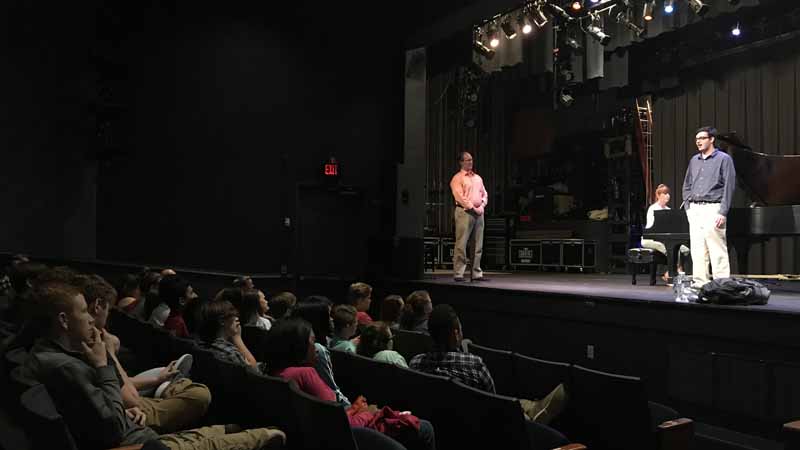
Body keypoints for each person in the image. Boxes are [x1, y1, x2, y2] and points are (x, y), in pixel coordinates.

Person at [21, 281, 286, 450]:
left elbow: (102, 414)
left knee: (224, 429)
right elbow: (111, 427)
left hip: (135, 431)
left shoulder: (48, 355)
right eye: (83, 312)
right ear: (64, 320)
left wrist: (122, 409)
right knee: (269, 435)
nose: (90, 318)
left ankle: (226, 430)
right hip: (137, 444)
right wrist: (103, 365)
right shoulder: (64, 366)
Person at [410, 304, 566, 426]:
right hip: (484, 426)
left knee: (519, 402)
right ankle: (536, 415)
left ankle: (533, 408)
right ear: (455, 334)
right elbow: (493, 401)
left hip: (445, 426)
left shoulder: (415, 364)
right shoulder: (474, 365)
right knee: (543, 401)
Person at [682, 126, 736, 288]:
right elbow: (687, 185)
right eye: (696, 139)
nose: (698, 141)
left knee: (717, 249)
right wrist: (688, 208)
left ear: (711, 139)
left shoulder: (724, 159)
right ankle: (700, 283)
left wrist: (723, 212)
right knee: (697, 249)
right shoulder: (694, 160)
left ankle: (721, 284)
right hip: (695, 209)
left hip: (714, 208)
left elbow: (729, 187)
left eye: (702, 138)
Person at [450, 151, 489, 282]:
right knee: (461, 243)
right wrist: (473, 207)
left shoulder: (478, 178)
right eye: (467, 160)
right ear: (461, 162)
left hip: (479, 213)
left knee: (478, 244)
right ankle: (459, 273)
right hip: (465, 212)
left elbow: (485, 194)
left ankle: (476, 273)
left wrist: (481, 206)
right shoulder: (457, 178)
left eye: (471, 159)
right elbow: (459, 197)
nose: (470, 162)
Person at [641, 184, 690, 281]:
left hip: (665, 239)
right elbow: (652, 229)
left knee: (684, 248)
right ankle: (676, 271)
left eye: (668, 193)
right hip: (650, 239)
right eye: (665, 193)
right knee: (669, 248)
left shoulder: (669, 210)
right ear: (658, 195)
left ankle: (670, 273)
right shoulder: (653, 209)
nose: (668, 196)